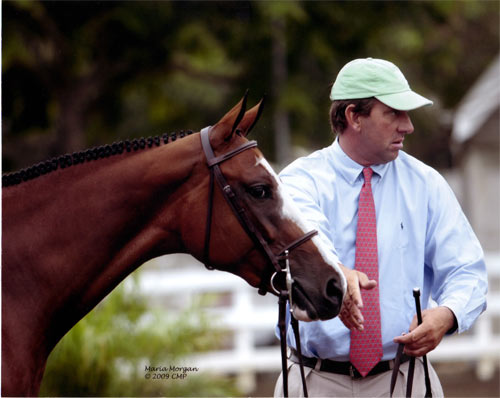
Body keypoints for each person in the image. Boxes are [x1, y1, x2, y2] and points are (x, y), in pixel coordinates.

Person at [274, 58, 488, 397]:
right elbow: (306, 240)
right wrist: (338, 272)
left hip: (408, 380)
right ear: (354, 117)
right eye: (394, 113)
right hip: (316, 383)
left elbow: (468, 271)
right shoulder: (299, 181)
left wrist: (447, 314)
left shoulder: (427, 185)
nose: (408, 126)